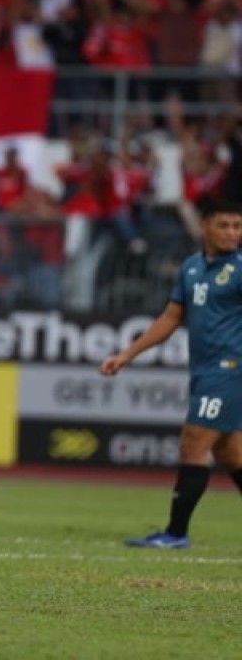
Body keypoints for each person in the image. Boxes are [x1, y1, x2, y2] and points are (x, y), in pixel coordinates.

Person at [100, 198, 242, 550]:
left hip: (230, 370)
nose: (232, 233)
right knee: (231, 455)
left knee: (192, 444)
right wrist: (127, 354)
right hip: (205, 370)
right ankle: (175, 534)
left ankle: (176, 533)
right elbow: (171, 318)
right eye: (224, 225)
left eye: (238, 226)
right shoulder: (192, 267)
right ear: (204, 226)